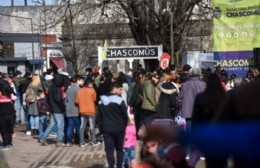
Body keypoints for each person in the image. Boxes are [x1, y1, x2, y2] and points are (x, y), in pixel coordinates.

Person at [99, 82, 128, 168]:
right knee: (119, 149)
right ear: (114, 89)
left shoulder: (101, 101)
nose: (120, 91)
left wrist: (101, 129)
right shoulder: (119, 100)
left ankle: (111, 166)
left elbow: (99, 117)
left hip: (106, 129)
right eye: (120, 89)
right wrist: (124, 126)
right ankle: (119, 165)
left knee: (109, 150)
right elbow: (125, 116)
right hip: (119, 129)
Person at [40, 74, 66, 146]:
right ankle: (59, 141)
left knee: (51, 125)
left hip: (52, 109)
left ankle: (43, 138)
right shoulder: (58, 88)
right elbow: (58, 99)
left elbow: (48, 98)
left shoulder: (51, 87)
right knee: (60, 126)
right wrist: (63, 107)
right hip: (58, 110)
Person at [76, 78, 99, 147]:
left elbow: (76, 101)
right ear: (90, 84)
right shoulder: (92, 90)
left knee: (82, 127)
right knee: (92, 127)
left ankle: (81, 142)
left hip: (82, 111)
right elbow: (95, 99)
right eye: (91, 83)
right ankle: (93, 141)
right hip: (90, 111)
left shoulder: (80, 90)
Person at [65, 75, 84, 146]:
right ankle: (80, 141)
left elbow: (66, 99)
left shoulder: (68, 89)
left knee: (70, 126)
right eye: (82, 80)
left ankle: (68, 142)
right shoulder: (78, 89)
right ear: (78, 81)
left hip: (69, 110)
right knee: (78, 126)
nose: (83, 82)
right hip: (76, 110)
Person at [0, 79, 15, 150]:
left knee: (4, 130)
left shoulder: (1, 97)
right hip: (10, 113)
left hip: (2, 114)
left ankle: (6, 144)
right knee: (9, 129)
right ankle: (9, 143)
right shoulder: (9, 96)